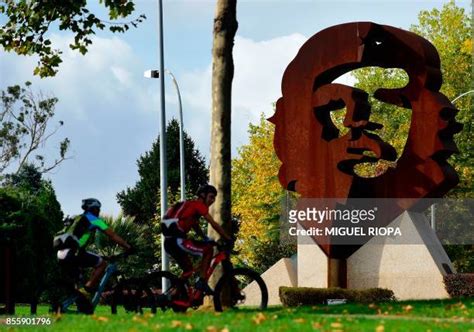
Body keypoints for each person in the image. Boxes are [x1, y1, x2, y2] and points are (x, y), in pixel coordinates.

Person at [162, 184, 232, 294]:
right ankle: (202, 281)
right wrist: (228, 238)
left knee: (188, 270)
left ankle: (174, 295)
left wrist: (205, 238)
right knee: (208, 250)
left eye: (214, 198)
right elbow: (213, 224)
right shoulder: (198, 205)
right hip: (177, 240)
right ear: (203, 195)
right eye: (211, 197)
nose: (213, 200)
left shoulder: (190, 207)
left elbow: (195, 226)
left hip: (169, 242)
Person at [55, 198, 132, 297]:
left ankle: (77, 301)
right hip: (73, 253)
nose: (99, 211)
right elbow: (112, 235)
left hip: (61, 253)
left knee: (77, 281)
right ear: (94, 209)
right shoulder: (95, 220)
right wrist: (128, 246)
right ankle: (88, 288)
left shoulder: (76, 218)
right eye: (98, 209)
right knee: (102, 264)